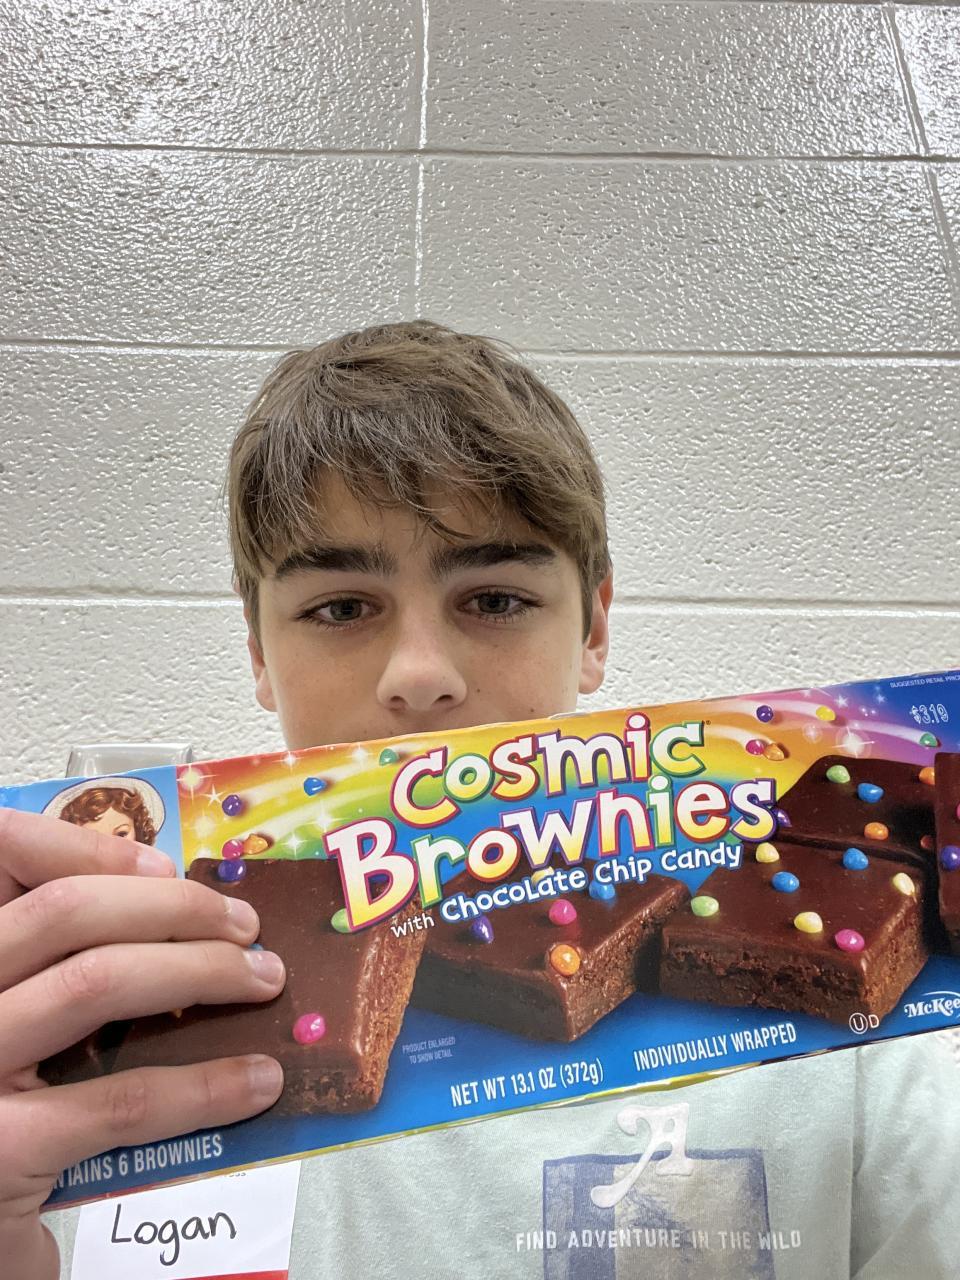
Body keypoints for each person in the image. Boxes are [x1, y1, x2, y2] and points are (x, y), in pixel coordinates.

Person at [2, 321, 957, 1279]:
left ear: (593, 628)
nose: (419, 675)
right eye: (341, 607)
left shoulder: (868, 1048)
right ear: (258, 650)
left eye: (494, 599)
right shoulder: (112, 1042)